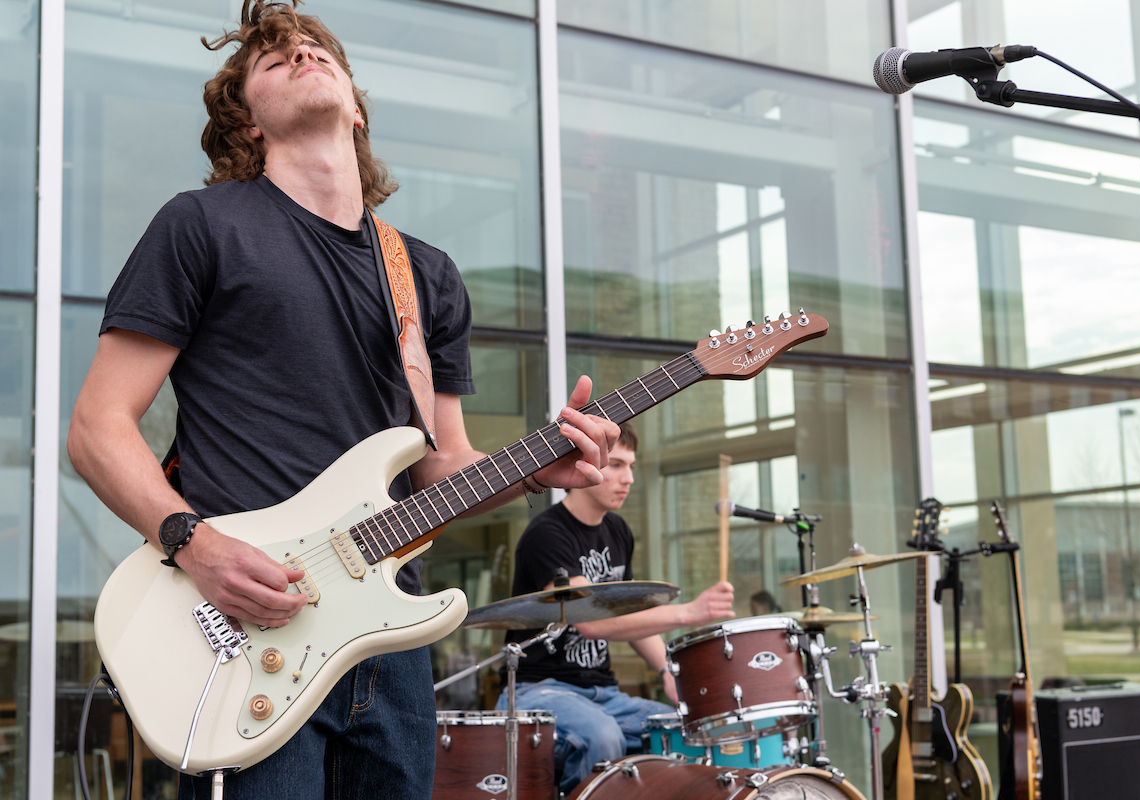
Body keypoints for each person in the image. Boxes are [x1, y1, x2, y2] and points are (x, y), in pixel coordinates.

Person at [65, 2, 619, 798]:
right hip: (246, 624)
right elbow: (95, 428)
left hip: (384, 642)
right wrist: (195, 543)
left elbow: (441, 468)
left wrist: (536, 469)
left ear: (355, 105)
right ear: (248, 124)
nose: (298, 54)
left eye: (316, 48)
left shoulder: (423, 275)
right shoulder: (202, 226)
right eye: (272, 58)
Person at [499, 423, 735, 793]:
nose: (629, 479)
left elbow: (630, 617)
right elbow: (591, 621)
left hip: (604, 693)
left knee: (678, 731)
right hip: (539, 690)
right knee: (602, 737)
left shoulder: (619, 531)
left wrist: (667, 671)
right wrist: (689, 612)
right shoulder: (547, 534)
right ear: (583, 466)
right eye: (617, 465)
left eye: (631, 467)